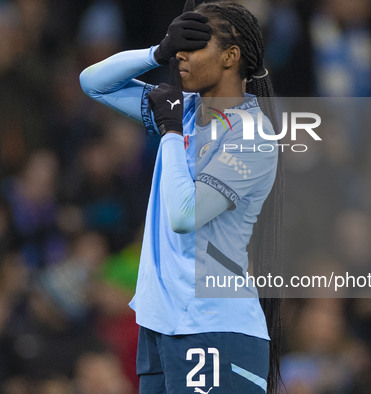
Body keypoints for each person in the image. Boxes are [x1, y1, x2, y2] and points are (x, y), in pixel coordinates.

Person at [80, 1, 282, 393]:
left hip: (214, 327)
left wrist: (170, 133)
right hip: (160, 323)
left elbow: (186, 214)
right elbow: (93, 82)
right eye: (179, 43)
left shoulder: (252, 136)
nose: (180, 55)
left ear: (230, 56)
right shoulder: (185, 109)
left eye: (194, 43)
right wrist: (155, 51)